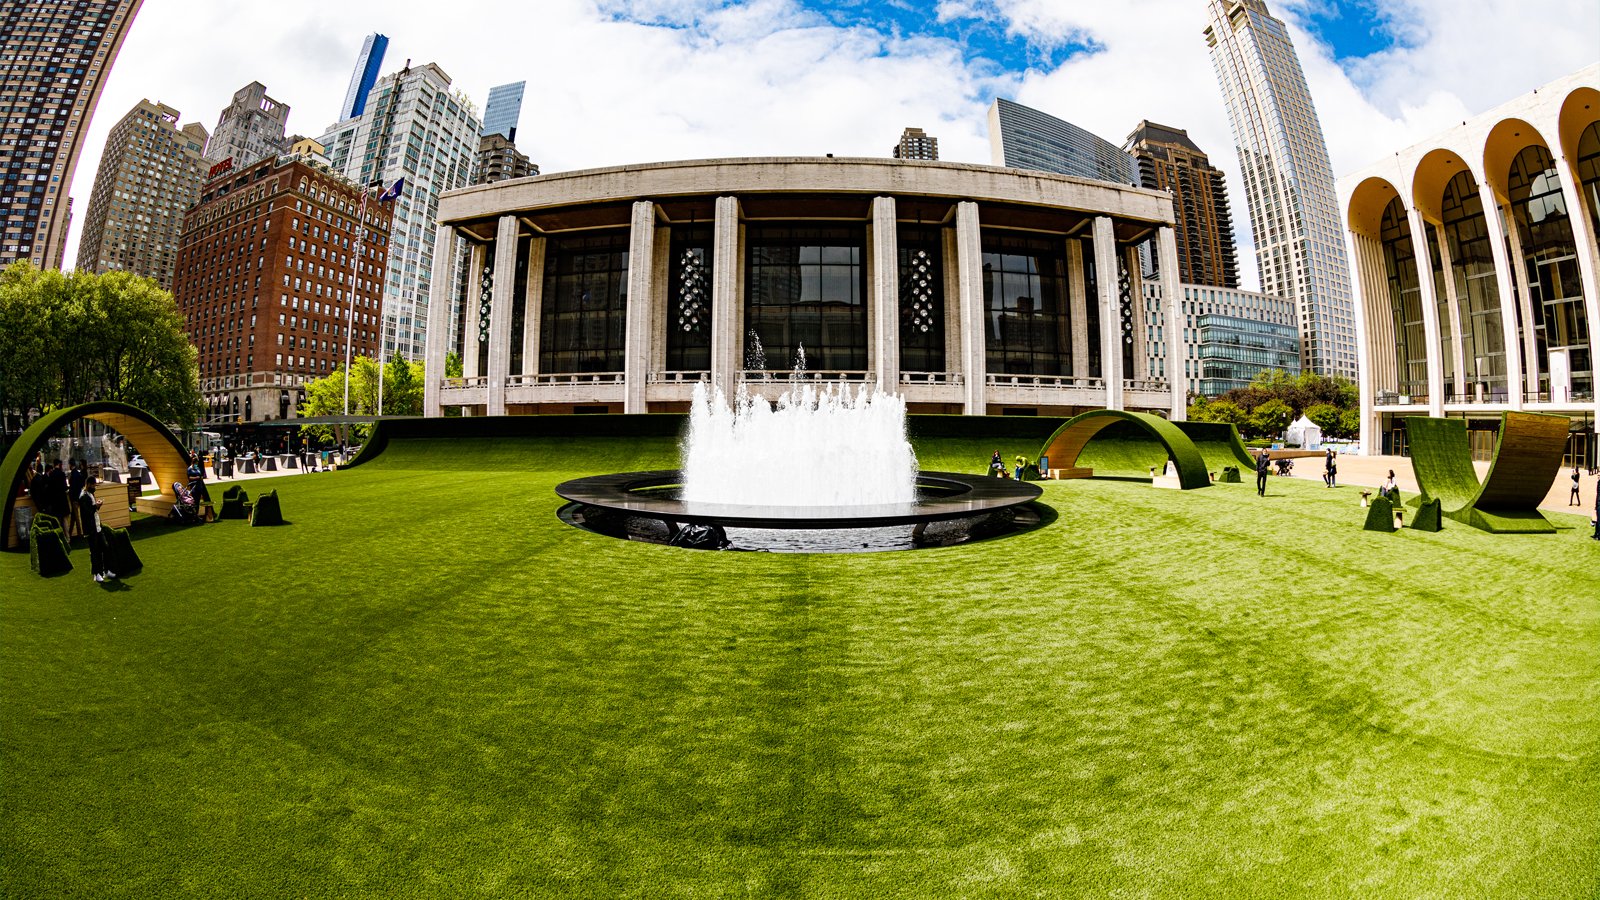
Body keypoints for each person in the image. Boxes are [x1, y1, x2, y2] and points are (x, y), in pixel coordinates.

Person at [77, 478, 114, 583]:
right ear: (88, 484)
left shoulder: (90, 494)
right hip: (91, 529)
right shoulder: (83, 496)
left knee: (105, 548)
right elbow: (87, 513)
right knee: (95, 552)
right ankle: (97, 573)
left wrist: (97, 506)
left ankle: (106, 570)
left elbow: (92, 510)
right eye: (93, 485)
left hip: (97, 526)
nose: (94, 487)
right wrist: (96, 506)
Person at [66, 460, 87, 539]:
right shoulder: (78, 474)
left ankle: (79, 533)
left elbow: (72, 487)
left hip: (74, 498)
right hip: (78, 497)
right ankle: (71, 532)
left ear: (71, 465)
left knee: (76, 517)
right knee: (74, 516)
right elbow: (81, 485)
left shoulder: (73, 475)